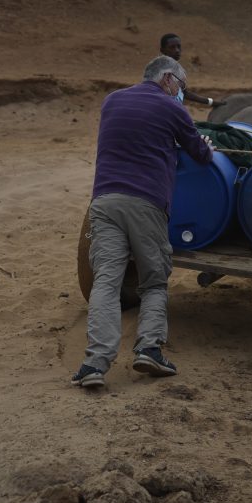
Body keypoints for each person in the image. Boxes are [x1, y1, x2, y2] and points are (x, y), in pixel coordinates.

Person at [73, 55, 214, 388]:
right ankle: (149, 349)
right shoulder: (172, 108)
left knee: (106, 281)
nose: (181, 92)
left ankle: (94, 364)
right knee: (152, 280)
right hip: (146, 204)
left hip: (104, 201)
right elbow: (201, 154)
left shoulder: (112, 100)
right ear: (167, 79)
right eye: (182, 85)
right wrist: (204, 146)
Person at [158, 33, 224, 108]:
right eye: (172, 47)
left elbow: (184, 93)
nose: (177, 50)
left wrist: (211, 102)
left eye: (178, 47)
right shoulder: (157, 70)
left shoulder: (177, 70)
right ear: (162, 50)